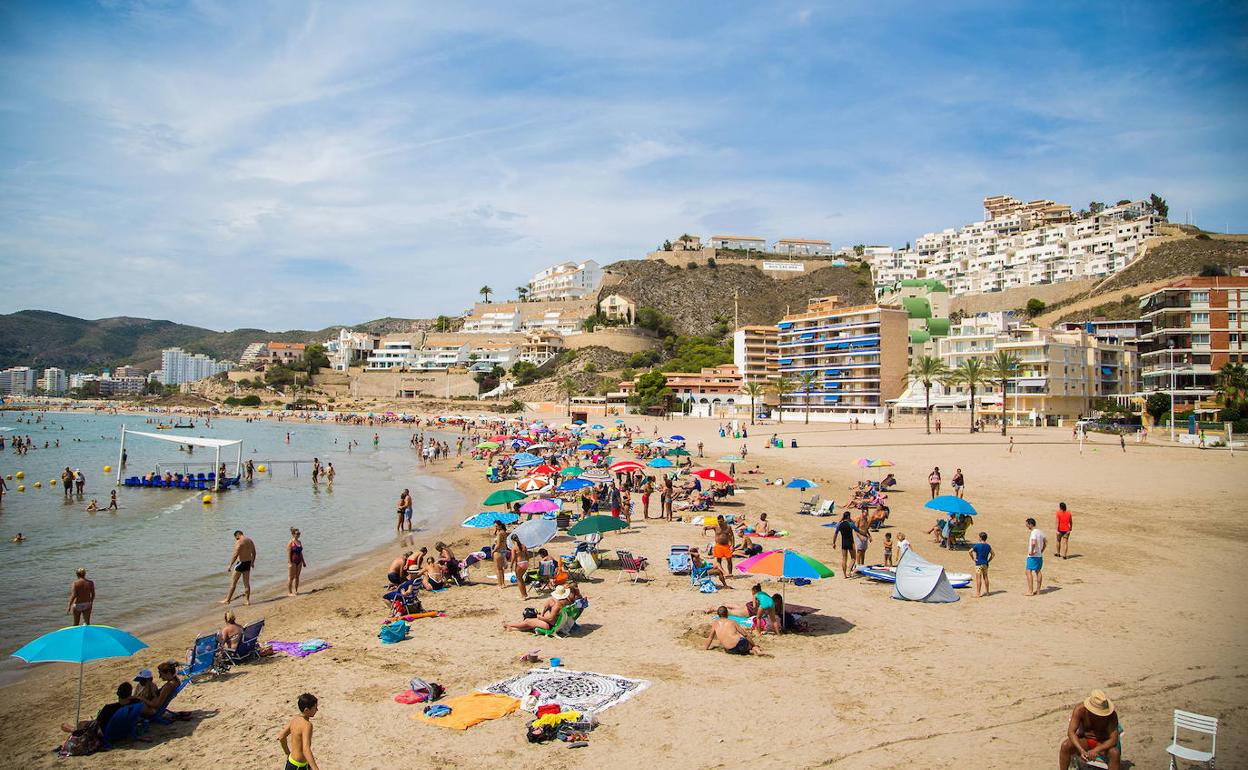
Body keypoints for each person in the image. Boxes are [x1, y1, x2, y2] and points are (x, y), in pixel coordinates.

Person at [60, 681, 141, 745]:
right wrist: (133, 697)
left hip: (106, 734)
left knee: (78, 724)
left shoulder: (108, 708)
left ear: (118, 695)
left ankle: (72, 729)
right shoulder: (135, 704)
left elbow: (96, 723)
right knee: (87, 723)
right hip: (124, 732)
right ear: (130, 694)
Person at [1058, 690, 1121, 770]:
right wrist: (1081, 750)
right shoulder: (1080, 710)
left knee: (1115, 753)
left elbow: (1113, 739)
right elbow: (1071, 732)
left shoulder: (1111, 715)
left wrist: (1097, 749)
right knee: (1065, 745)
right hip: (1086, 740)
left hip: (1102, 743)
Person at [278, 693, 322, 770]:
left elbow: (281, 736)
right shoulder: (307, 725)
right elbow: (306, 749)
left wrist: (288, 753)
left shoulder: (295, 720)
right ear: (307, 710)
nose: (317, 710)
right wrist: (315, 768)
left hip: (291, 762)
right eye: (315, 708)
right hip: (299, 766)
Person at [503, 585, 570, 631]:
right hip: (557, 623)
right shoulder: (566, 602)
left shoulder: (556, 606)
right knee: (532, 622)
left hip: (550, 625)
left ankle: (509, 624)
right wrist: (543, 612)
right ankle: (512, 629)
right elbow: (547, 607)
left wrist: (540, 617)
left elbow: (550, 619)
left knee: (527, 621)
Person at [223, 530, 257, 605]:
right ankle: (247, 601)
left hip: (240, 563)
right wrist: (253, 562)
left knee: (233, 582)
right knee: (246, 583)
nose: (236, 540)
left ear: (237, 535)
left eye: (236, 538)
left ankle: (227, 600)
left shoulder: (239, 542)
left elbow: (235, 554)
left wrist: (230, 565)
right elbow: (254, 552)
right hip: (248, 563)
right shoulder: (250, 541)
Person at [833, 512, 858, 579]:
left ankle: (844, 575)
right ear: (848, 517)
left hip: (843, 543)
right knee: (853, 558)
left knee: (844, 559)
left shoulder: (839, 525)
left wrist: (834, 543)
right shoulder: (850, 524)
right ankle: (849, 571)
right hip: (851, 542)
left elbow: (835, 534)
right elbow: (856, 526)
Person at [1025, 517, 1046, 596]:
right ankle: (1038, 591)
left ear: (1030, 524)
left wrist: (1032, 551)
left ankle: (1030, 591)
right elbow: (1045, 542)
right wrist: (1041, 550)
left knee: (1028, 571)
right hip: (1039, 555)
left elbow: (1033, 542)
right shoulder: (1040, 532)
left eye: (1027, 524)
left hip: (1033, 556)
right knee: (1038, 571)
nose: (1026, 526)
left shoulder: (1033, 532)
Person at [970, 531, 994, 598]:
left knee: (978, 578)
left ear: (980, 538)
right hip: (985, 563)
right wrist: (988, 560)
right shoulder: (988, 546)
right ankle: (987, 592)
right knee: (985, 577)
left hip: (978, 563)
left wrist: (973, 559)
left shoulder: (977, 545)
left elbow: (970, 551)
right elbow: (993, 554)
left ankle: (978, 593)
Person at [287, 528, 306, 596]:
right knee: (291, 577)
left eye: (299, 533)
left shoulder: (299, 542)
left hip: (299, 561)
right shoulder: (290, 543)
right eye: (297, 534)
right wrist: (290, 563)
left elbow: (301, 553)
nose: (298, 535)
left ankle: (296, 590)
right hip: (293, 562)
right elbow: (288, 553)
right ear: (293, 534)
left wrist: (303, 562)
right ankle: (289, 592)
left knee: (297, 577)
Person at [492, 522, 509, 588]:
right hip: (503, 551)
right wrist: (496, 531)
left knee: (498, 569)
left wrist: (493, 551)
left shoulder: (499, 534)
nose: (495, 527)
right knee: (501, 569)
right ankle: (503, 583)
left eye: (496, 526)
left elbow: (498, 544)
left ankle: (500, 584)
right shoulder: (504, 532)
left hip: (498, 551)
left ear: (500, 526)